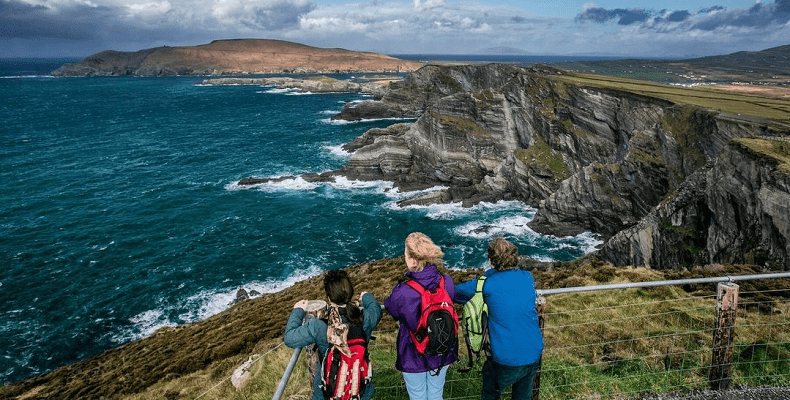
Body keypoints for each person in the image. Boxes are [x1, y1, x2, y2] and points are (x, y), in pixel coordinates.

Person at [454, 237, 544, 400]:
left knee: (490, 393)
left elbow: (454, 293)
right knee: (523, 397)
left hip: (505, 357)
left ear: (490, 260)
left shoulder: (485, 285)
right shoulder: (527, 277)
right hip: (533, 352)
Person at [284, 270, 382, 400]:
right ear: (351, 293)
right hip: (359, 389)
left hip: (328, 392)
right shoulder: (365, 318)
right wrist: (366, 296)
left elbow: (289, 338)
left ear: (329, 298)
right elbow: (376, 309)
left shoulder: (320, 326)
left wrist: (298, 311)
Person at [384, 232, 457, 400]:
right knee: (436, 394)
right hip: (442, 349)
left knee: (417, 396)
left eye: (405, 254)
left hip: (413, 354)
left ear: (413, 260)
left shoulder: (402, 291)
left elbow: (392, 308)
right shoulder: (447, 281)